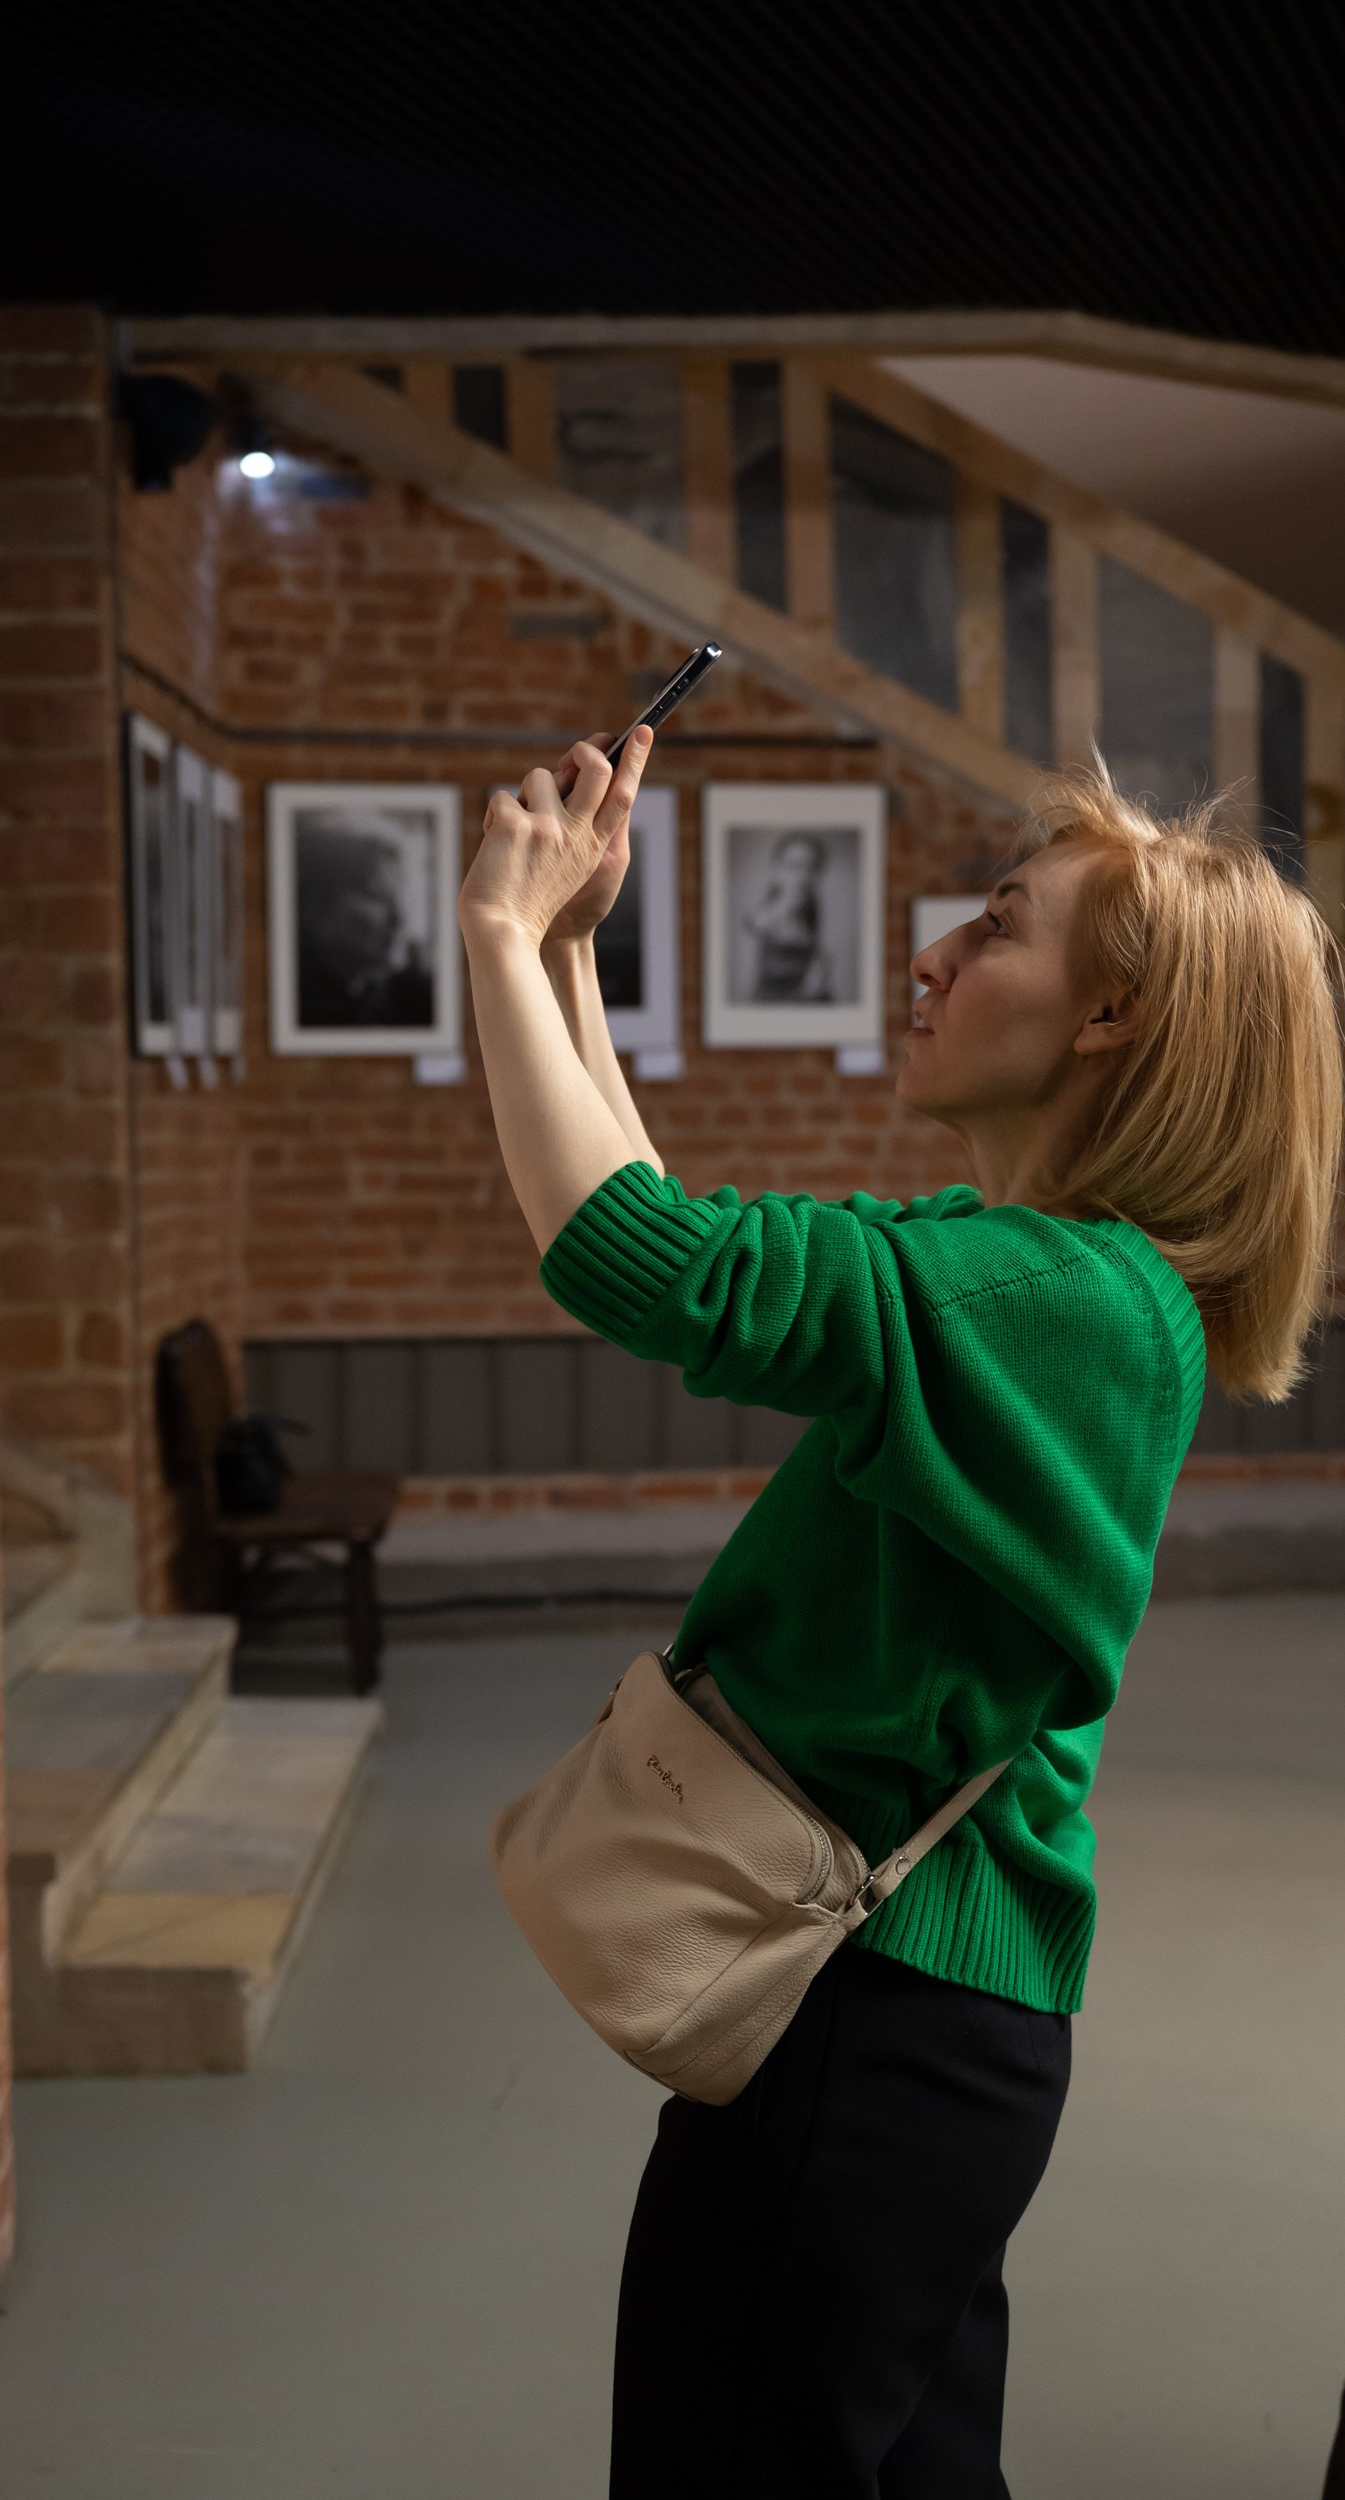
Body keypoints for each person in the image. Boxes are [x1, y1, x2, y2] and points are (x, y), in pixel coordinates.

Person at [459, 731, 1342, 2500]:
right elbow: (676, 1227)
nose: (930, 958)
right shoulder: (1044, 1276)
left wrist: (490, 928)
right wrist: (568, 955)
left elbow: (635, 1263)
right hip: (926, 2030)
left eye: (996, 929)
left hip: (861, 2024)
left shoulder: (1041, 1296)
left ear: (1107, 1020)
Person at [295, 818, 432, 1027]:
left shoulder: (417, 999)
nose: (399, 917)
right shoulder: (297, 1003)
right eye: (376, 896)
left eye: (400, 897)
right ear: (315, 908)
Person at [744, 826, 833, 1000]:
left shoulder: (809, 912)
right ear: (776, 869)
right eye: (793, 866)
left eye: (811, 867)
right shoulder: (764, 916)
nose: (802, 875)